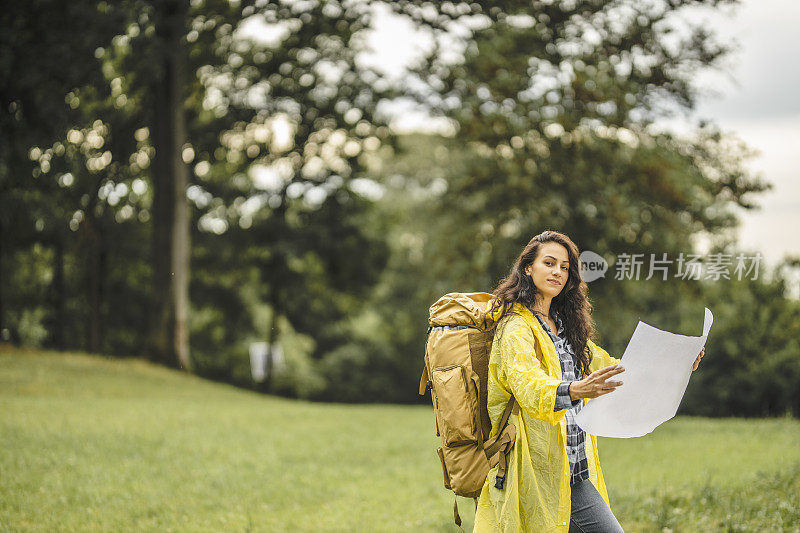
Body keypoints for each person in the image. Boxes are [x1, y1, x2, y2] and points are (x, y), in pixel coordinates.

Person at [473, 230, 704, 532]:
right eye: (549, 263)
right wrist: (576, 389)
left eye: (565, 267)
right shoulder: (515, 327)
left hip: (574, 472)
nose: (557, 271)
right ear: (528, 268)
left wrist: (676, 364)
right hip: (533, 474)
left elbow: (616, 370)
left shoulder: (565, 328)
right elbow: (528, 386)